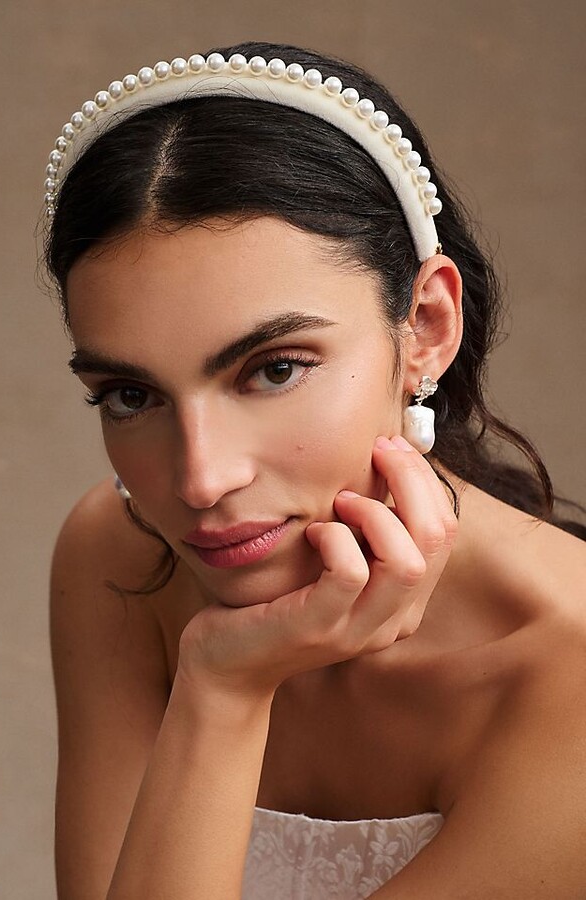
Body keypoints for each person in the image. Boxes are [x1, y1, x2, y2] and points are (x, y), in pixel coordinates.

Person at [43, 40, 586, 900]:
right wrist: (223, 684)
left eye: (275, 369)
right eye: (129, 394)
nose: (199, 481)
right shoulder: (117, 553)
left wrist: (218, 692)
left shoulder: (569, 672)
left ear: (427, 328)